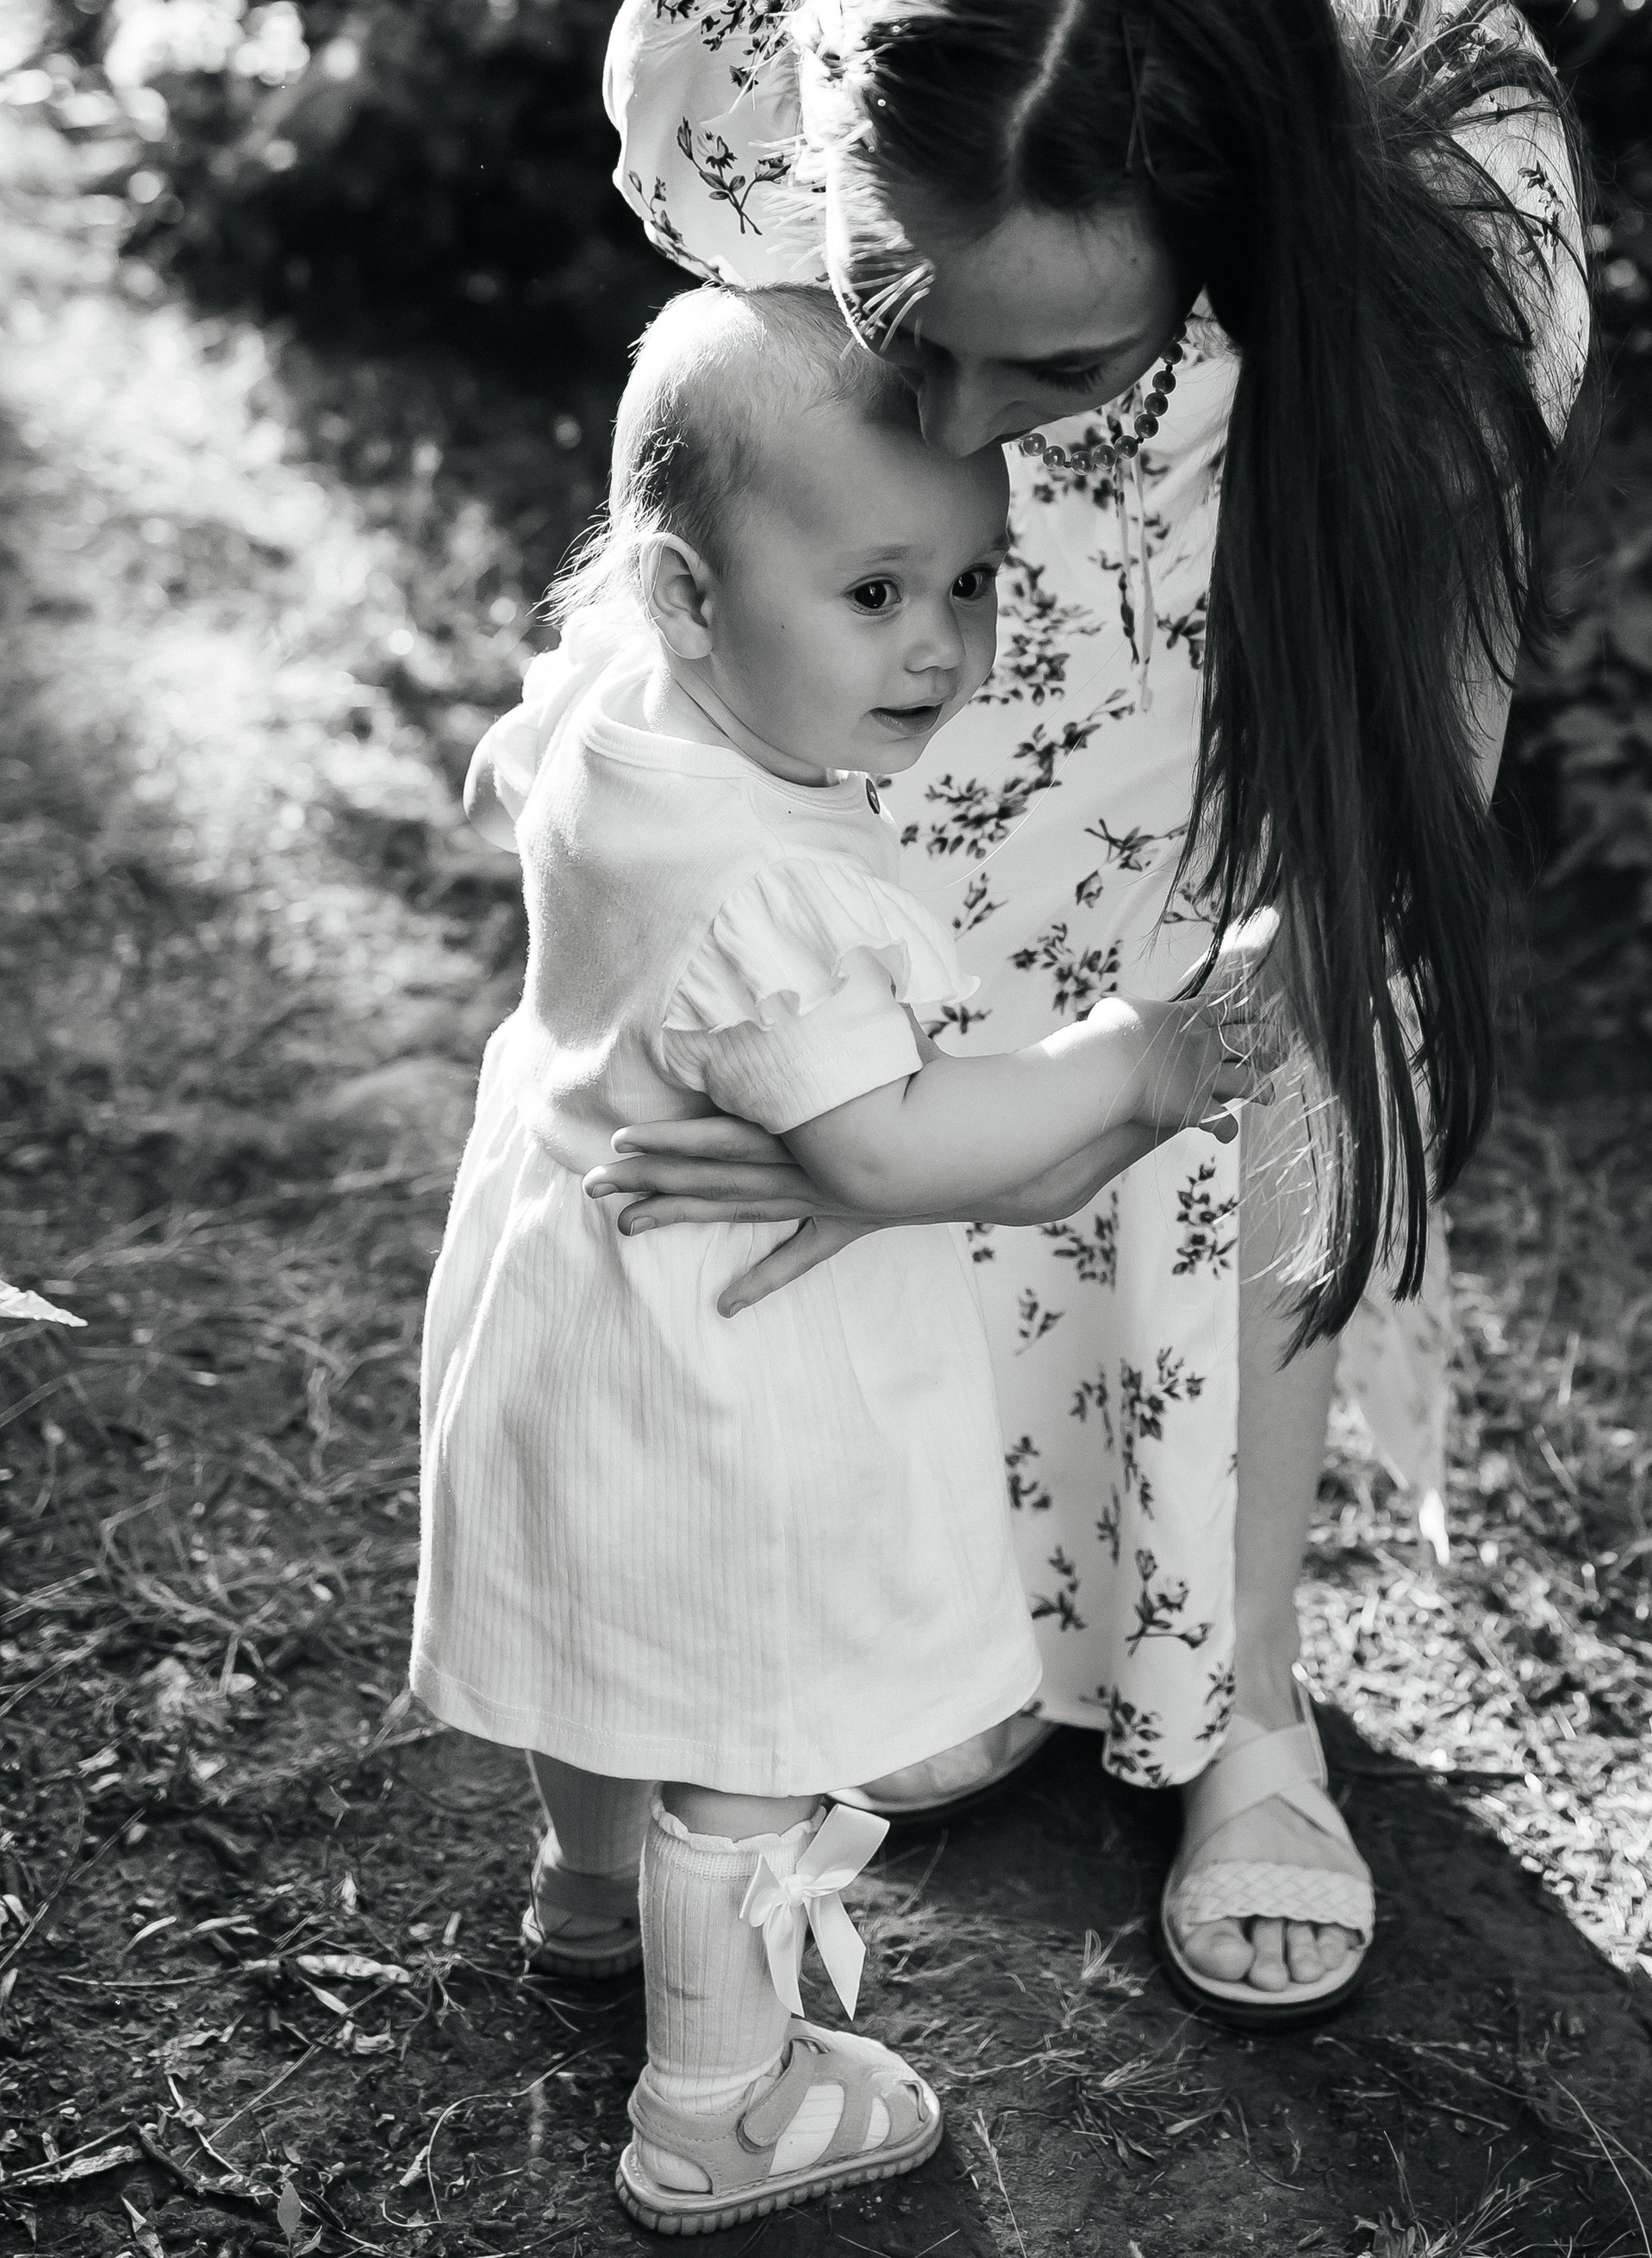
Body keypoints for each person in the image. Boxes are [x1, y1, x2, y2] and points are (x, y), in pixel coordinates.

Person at [589, 0, 1591, 2022]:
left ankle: (1243, 1697)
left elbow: (1391, 774)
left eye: (1042, 363)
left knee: (1223, 1029)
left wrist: (1198, 1044)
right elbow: (733, 407)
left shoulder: (1447, 189)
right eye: (905, 311)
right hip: (893, 561)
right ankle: (948, 1604)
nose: (964, 414)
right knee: (917, 961)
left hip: (1248, 509)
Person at [410, 282, 1259, 2227]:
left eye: (969, 582)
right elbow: (885, 1145)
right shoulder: (778, 883)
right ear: (692, 594)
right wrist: (1132, 1058)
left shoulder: (618, 692)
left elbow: (506, 773)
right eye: (874, 593)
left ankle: (589, 1894)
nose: (939, 644)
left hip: (568, 1274)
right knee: (750, 1700)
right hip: (731, 1350)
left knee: (613, 1620)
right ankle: (716, 2099)